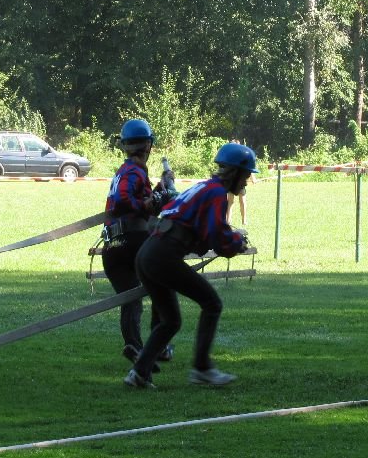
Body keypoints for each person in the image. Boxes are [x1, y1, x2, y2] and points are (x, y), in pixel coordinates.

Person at [125, 142, 257, 388]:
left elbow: (199, 228)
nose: (247, 182)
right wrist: (236, 242)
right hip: (163, 255)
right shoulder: (217, 194)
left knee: (170, 321)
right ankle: (202, 369)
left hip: (148, 254)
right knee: (212, 303)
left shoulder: (205, 187)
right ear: (236, 172)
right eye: (246, 175)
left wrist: (228, 239)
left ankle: (139, 374)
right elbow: (217, 237)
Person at [101, 119, 177, 367]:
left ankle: (134, 345)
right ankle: (160, 344)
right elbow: (126, 199)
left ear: (125, 146)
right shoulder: (134, 171)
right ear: (148, 146)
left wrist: (161, 189)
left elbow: (146, 202)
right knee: (163, 283)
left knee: (131, 299)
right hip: (133, 240)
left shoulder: (124, 170)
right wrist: (148, 203)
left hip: (113, 246)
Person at [225, 139, 253, 224]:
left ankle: (244, 220)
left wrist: (253, 177)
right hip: (231, 181)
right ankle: (228, 221)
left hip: (240, 181)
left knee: (242, 201)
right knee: (230, 201)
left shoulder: (243, 156)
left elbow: (249, 167)